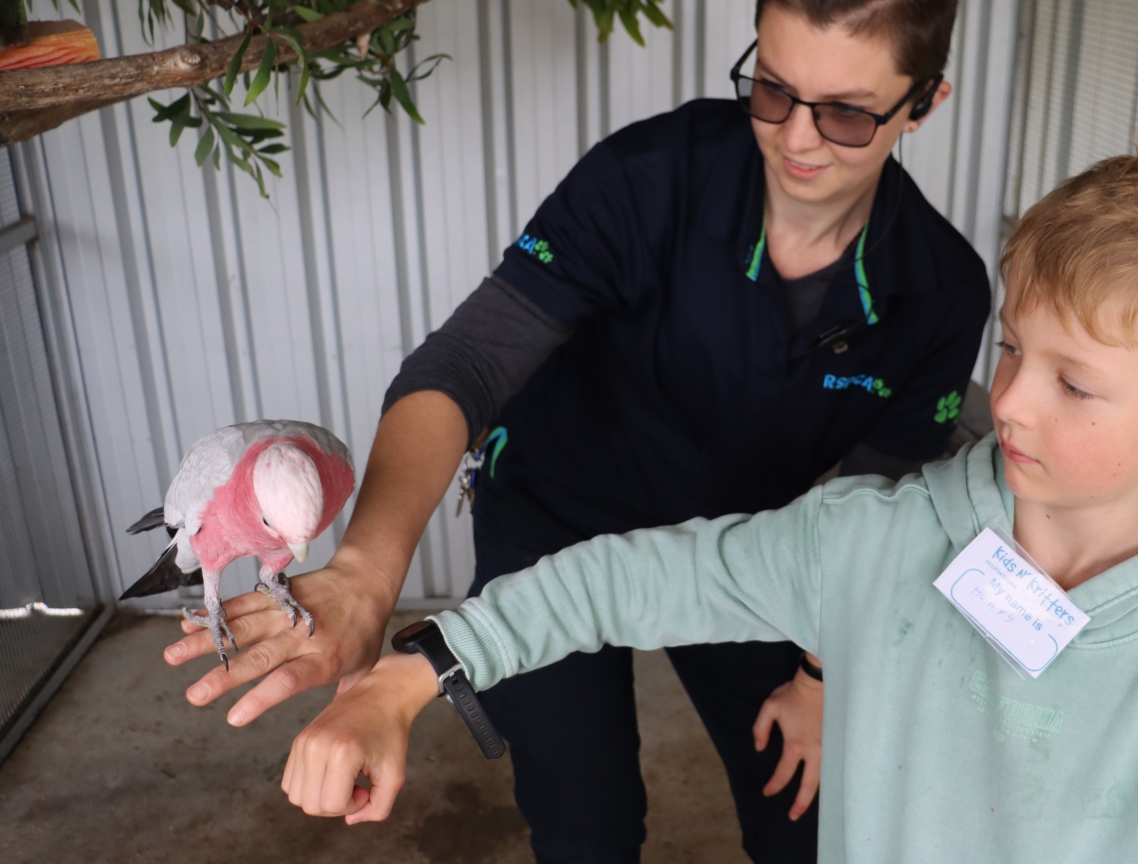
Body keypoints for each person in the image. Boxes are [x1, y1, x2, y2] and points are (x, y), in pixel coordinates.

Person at [278, 152, 1138, 863]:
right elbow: (627, 577)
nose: (1005, 399)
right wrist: (407, 678)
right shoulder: (874, 538)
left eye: (1074, 382)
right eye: (1012, 350)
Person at [162, 1, 989, 862]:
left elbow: (874, 506)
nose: (797, 140)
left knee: (809, 821)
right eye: (773, 90)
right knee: (582, 821)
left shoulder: (942, 291)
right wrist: (368, 574)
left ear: (924, 101)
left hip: (748, 556)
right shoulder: (652, 173)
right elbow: (472, 362)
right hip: (557, 512)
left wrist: (821, 680)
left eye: (848, 113)